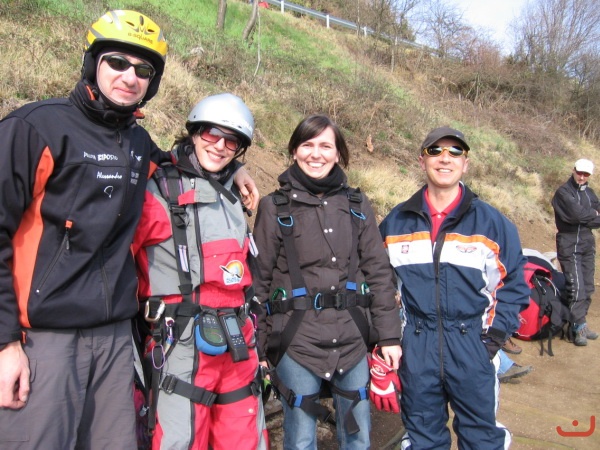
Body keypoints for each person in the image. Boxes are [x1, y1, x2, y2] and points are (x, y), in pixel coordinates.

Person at [0, 11, 257, 449]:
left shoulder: (137, 143)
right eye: (117, 62)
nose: (129, 76)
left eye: (143, 70)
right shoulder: (35, 128)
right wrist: (5, 343)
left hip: (116, 337)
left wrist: (234, 169)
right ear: (93, 63)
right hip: (45, 338)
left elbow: (185, 161)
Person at [252, 114, 402, 449]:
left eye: (325, 146)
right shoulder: (273, 208)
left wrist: (389, 337)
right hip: (296, 340)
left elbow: (379, 273)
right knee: (301, 439)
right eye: (307, 145)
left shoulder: (358, 205)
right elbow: (258, 282)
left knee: (358, 438)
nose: (315, 154)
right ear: (294, 150)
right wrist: (258, 349)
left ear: (338, 154)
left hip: (352, 339)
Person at [379, 126, 530, 449]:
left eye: (455, 151)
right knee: (423, 439)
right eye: (435, 151)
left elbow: (513, 285)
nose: (444, 159)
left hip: (471, 344)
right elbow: (378, 284)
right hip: (417, 347)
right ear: (422, 161)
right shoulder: (396, 222)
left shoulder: (492, 223)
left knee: (480, 438)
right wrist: (388, 339)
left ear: (466, 163)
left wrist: (491, 341)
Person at [133, 93, 267, 449]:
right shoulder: (157, 188)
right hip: (180, 343)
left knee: (245, 440)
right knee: (180, 441)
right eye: (211, 133)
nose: (220, 146)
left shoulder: (234, 194)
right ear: (194, 132)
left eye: (231, 141)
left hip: (238, 342)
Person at [552, 158, 600, 346]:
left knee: (587, 285)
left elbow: (590, 216)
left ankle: (581, 322)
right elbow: (575, 215)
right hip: (569, 242)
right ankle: (576, 326)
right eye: (579, 173)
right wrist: (592, 215)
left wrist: (588, 216)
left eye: (586, 174)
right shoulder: (563, 192)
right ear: (573, 170)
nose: (581, 177)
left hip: (587, 242)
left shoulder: (590, 193)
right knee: (576, 285)